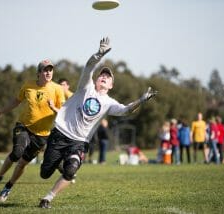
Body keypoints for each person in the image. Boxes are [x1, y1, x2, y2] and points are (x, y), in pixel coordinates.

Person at [38, 37, 157, 209]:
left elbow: (126, 110)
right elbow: (88, 67)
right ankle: (59, 163)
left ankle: (47, 198)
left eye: (107, 77)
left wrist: (141, 100)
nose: (103, 76)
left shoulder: (109, 103)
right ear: (96, 79)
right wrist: (99, 54)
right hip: (60, 134)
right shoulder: (85, 87)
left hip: (79, 142)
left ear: (111, 85)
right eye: (102, 74)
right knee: (44, 173)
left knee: (71, 171)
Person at [0, 59, 65, 197]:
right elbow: (16, 100)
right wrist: (0, 112)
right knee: (17, 152)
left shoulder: (57, 89)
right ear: (39, 73)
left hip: (42, 135)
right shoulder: (28, 85)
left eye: (50, 70)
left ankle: (7, 188)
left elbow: (63, 113)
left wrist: (53, 108)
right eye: (45, 70)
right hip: (24, 126)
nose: (48, 72)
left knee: (22, 164)